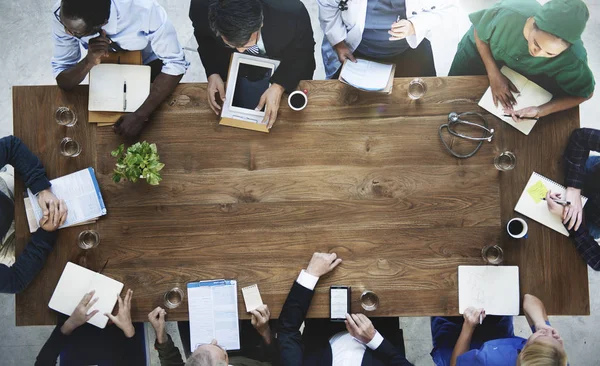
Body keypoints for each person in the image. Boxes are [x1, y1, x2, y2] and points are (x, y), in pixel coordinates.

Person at [51, 0, 189, 139]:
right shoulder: (65, 14)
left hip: (149, 65)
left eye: (76, 33)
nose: (66, 32)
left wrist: (140, 115)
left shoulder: (145, 10)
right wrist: (88, 61)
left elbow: (175, 63)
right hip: (103, 72)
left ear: (103, 23)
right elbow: (63, 80)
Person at [449, 0, 594, 123]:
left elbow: (585, 93)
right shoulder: (509, 12)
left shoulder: (574, 59)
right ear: (532, 22)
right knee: (451, 98)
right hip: (479, 53)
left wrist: (540, 110)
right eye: (536, 43)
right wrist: (494, 73)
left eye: (550, 53)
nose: (538, 54)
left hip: (521, 78)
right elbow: (479, 30)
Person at [189, 0, 316, 129]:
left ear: (260, 21)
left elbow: (303, 50)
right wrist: (213, 71)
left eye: (247, 43)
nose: (240, 50)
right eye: (232, 44)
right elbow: (204, 36)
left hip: (285, 66)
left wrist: (280, 85)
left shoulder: (291, 11)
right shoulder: (201, 6)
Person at [277, 252, 413, 365]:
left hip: (322, 318)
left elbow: (288, 330)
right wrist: (373, 339)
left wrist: (311, 274)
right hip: (379, 318)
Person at [316, 0, 458, 79]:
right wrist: (339, 44)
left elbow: (448, 7)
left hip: (408, 50)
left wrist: (415, 25)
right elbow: (327, 6)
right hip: (355, 50)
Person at [0, 136, 67, 294]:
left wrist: (42, 189)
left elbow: (12, 147)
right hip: (6, 243)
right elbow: (16, 280)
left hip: (8, 194)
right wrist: (45, 234)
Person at [430, 294, 567, 366]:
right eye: (557, 341)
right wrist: (541, 324)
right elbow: (529, 299)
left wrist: (468, 327)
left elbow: (456, 364)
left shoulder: (489, 361)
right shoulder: (553, 361)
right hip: (498, 338)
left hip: (457, 345)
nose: (550, 334)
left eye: (541, 336)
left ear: (523, 352)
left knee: (439, 300)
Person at [35, 289, 147, 365]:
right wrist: (128, 328)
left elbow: (43, 361)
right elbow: (137, 360)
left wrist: (70, 323)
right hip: (119, 326)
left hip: (76, 324)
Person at [545, 128, 600, 271]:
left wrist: (568, 216)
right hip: (589, 173)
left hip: (591, 221)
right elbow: (581, 138)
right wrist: (574, 188)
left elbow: (597, 260)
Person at [149, 304, 277, 365]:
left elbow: (171, 363)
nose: (214, 340)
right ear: (226, 360)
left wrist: (161, 336)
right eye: (218, 346)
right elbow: (276, 360)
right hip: (252, 350)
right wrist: (266, 332)